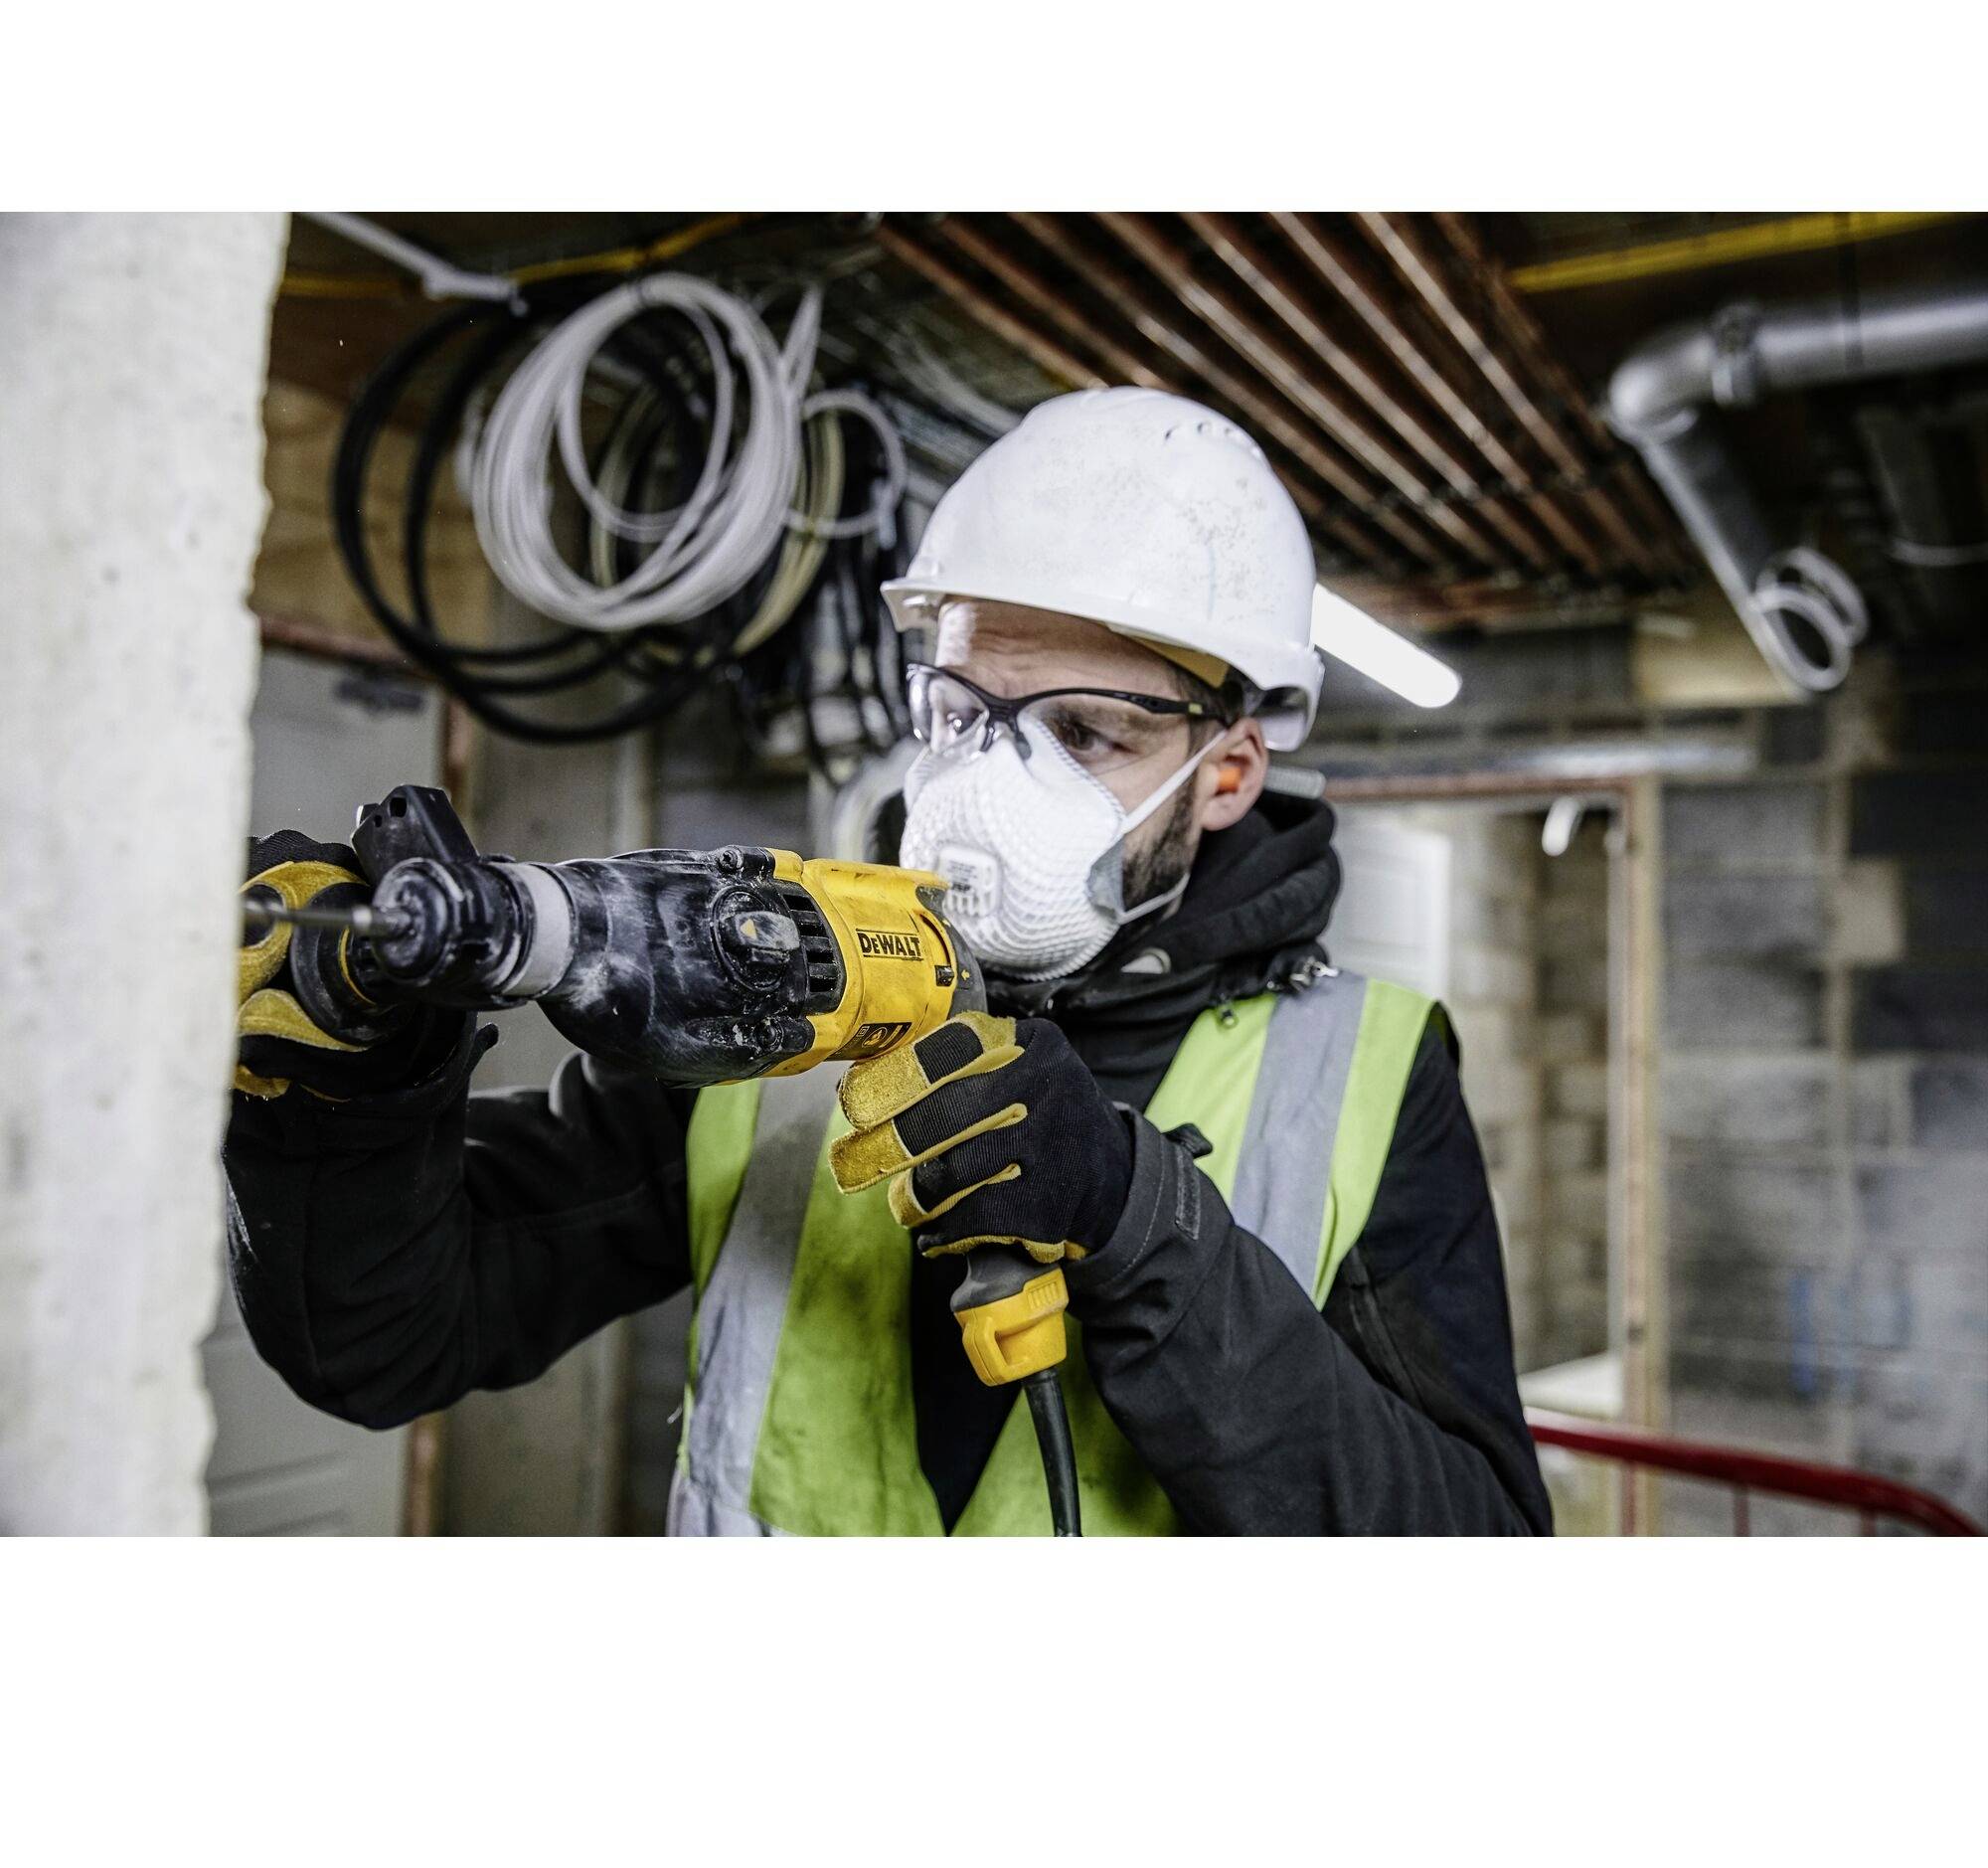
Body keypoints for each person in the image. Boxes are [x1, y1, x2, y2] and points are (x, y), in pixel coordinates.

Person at [225, 388, 1551, 1536]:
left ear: (1227, 774)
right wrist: (361, 1088)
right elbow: (389, 1339)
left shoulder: (1366, 1072)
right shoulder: (789, 1007)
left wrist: (1141, 1225)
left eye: (1085, 734)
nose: (992, 784)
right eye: (965, 714)